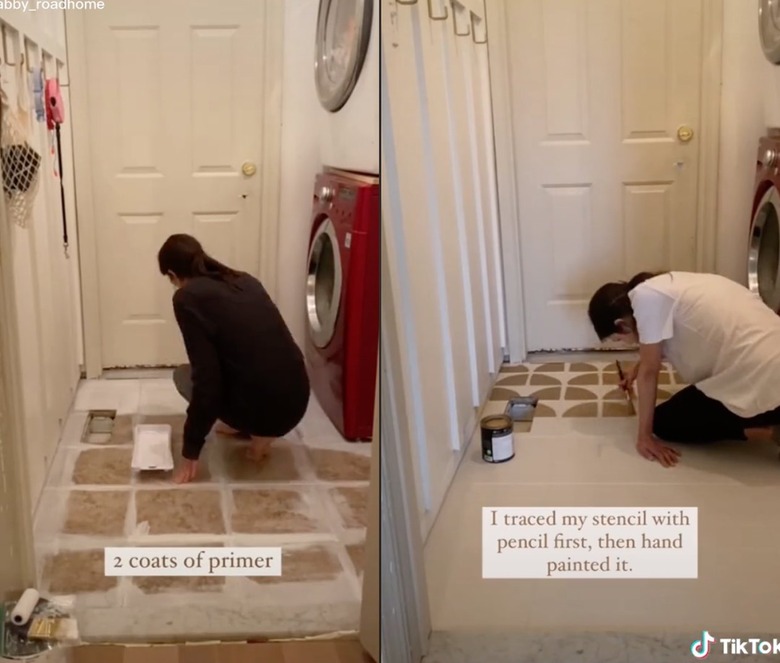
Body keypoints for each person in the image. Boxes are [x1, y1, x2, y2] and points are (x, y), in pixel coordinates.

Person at [157, 234, 310, 484]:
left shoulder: (187, 298)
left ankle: (260, 431)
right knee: (242, 362)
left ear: (173, 274)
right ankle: (251, 426)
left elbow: (207, 380)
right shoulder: (244, 280)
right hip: (298, 398)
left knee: (183, 377)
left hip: (270, 412)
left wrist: (191, 450)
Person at [587, 271, 780, 467]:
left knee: (665, 422)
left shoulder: (645, 300)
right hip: (771, 359)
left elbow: (650, 372)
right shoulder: (663, 286)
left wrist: (644, 437)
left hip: (766, 378)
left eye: (619, 339)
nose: (625, 344)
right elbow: (660, 341)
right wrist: (639, 366)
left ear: (621, 325)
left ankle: (771, 432)